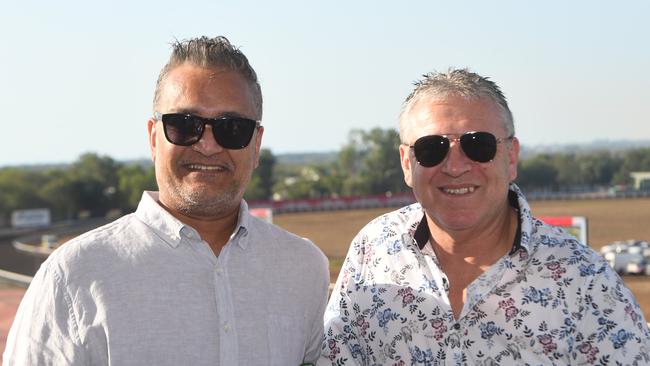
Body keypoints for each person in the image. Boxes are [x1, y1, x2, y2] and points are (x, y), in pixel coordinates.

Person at [4, 36, 330, 365]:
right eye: (184, 125)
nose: (208, 145)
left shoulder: (304, 269)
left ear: (256, 145)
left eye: (232, 128)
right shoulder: (74, 275)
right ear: (153, 137)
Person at [320, 68, 650, 365]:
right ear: (408, 164)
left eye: (478, 145)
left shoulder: (587, 281)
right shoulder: (373, 250)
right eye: (431, 149)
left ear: (511, 155)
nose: (455, 166)